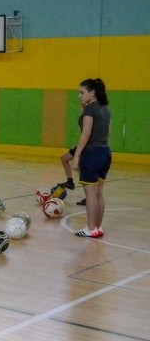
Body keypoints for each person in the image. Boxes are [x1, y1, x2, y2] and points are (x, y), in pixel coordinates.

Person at [70, 78, 111, 238]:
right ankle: (98, 228)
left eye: (82, 92)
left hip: (92, 154)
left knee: (90, 194)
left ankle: (90, 228)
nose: (79, 95)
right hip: (105, 151)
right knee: (99, 193)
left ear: (92, 93)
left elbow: (86, 134)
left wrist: (77, 155)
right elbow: (108, 132)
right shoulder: (106, 108)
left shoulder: (90, 110)